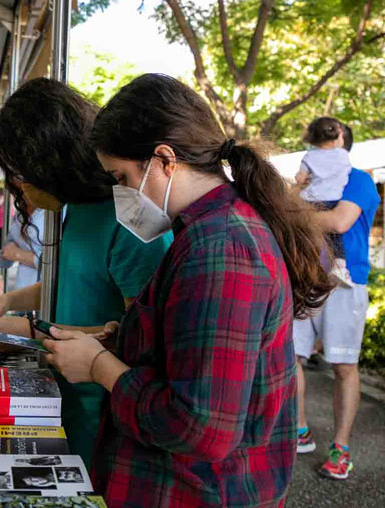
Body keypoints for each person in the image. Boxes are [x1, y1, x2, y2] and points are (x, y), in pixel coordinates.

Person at [31, 74, 333, 507]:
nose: (122, 194)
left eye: (122, 177)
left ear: (165, 160)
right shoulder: (204, 232)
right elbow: (193, 356)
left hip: (200, 491)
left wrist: (100, 367)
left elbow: (201, 428)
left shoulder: (222, 248)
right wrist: (122, 341)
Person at [0, 78, 172, 468]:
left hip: (107, 419)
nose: (19, 188)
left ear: (50, 163)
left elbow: (139, 341)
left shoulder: (132, 220)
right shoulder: (74, 208)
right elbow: (75, 282)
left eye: (21, 175)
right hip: (64, 405)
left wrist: (29, 332)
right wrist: (9, 301)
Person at [294, 122, 380, 480]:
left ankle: (341, 447)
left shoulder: (358, 179)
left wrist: (295, 214)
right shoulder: (306, 177)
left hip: (345, 285)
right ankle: (299, 429)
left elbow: (339, 220)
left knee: (343, 366)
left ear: (341, 142)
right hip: (303, 280)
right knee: (290, 356)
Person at [296, 117, 353, 286]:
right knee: (335, 236)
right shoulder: (343, 155)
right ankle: (340, 266)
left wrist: (301, 180)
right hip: (332, 200)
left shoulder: (309, 156)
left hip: (310, 200)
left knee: (310, 234)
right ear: (338, 136)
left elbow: (301, 179)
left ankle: (307, 264)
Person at [0, 198, 44, 291]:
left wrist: (19, 255)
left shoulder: (59, 213)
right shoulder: (21, 209)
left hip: (45, 294)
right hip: (21, 292)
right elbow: (7, 254)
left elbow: (57, 263)